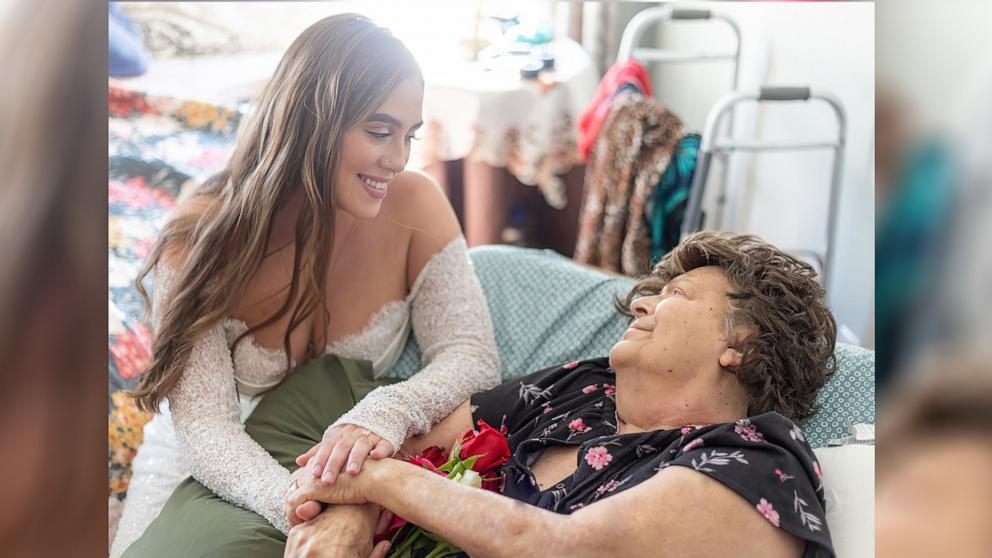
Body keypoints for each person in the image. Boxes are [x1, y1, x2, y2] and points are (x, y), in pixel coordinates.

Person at [110, 14, 500, 557]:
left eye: (408, 135)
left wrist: (385, 413)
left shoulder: (417, 205)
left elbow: (471, 354)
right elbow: (207, 433)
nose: (399, 158)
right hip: (219, 471)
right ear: (313, 122)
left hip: (349, 472)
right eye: (380, 132)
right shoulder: (200, 236)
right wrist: (307, 508)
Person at [285, 232, 837, 558]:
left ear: (741, 342)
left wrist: (376, 482)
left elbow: (563, 547)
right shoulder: (582, 389)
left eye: (677, 295)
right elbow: (395, 447)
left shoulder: (758, 463)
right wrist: (347, 522)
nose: (641, 304)